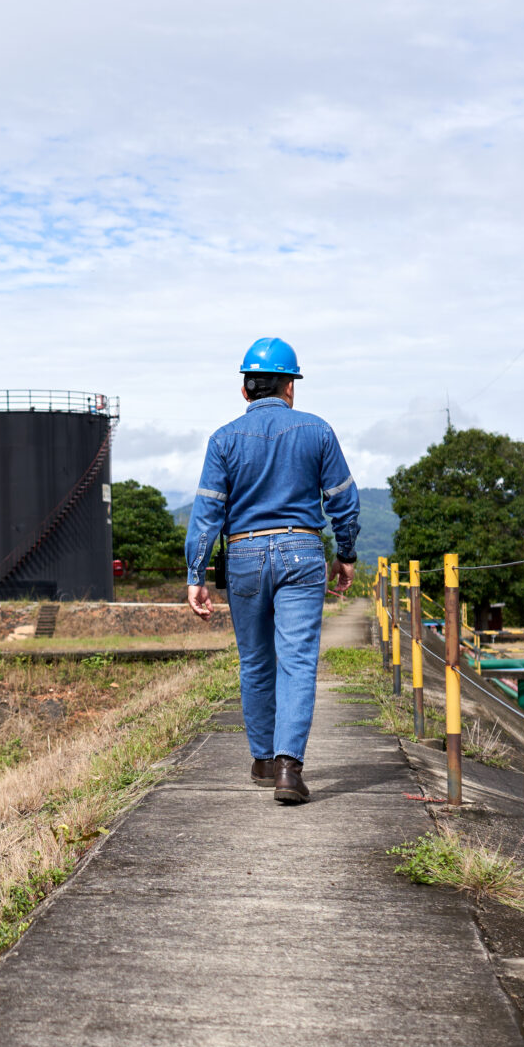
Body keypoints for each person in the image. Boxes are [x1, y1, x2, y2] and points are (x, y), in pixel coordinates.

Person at [185, 337, 359, 804]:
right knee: (298, 661)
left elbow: (207, 515)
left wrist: (195, 575)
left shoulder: (223, 440)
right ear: (290, 388)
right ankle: (288, 769)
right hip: (302, 552)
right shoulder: (318, 431)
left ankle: (262, 758)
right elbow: (344, 499)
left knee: (256, 662)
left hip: (242, 555)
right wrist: (345, 554)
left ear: (245, 390)